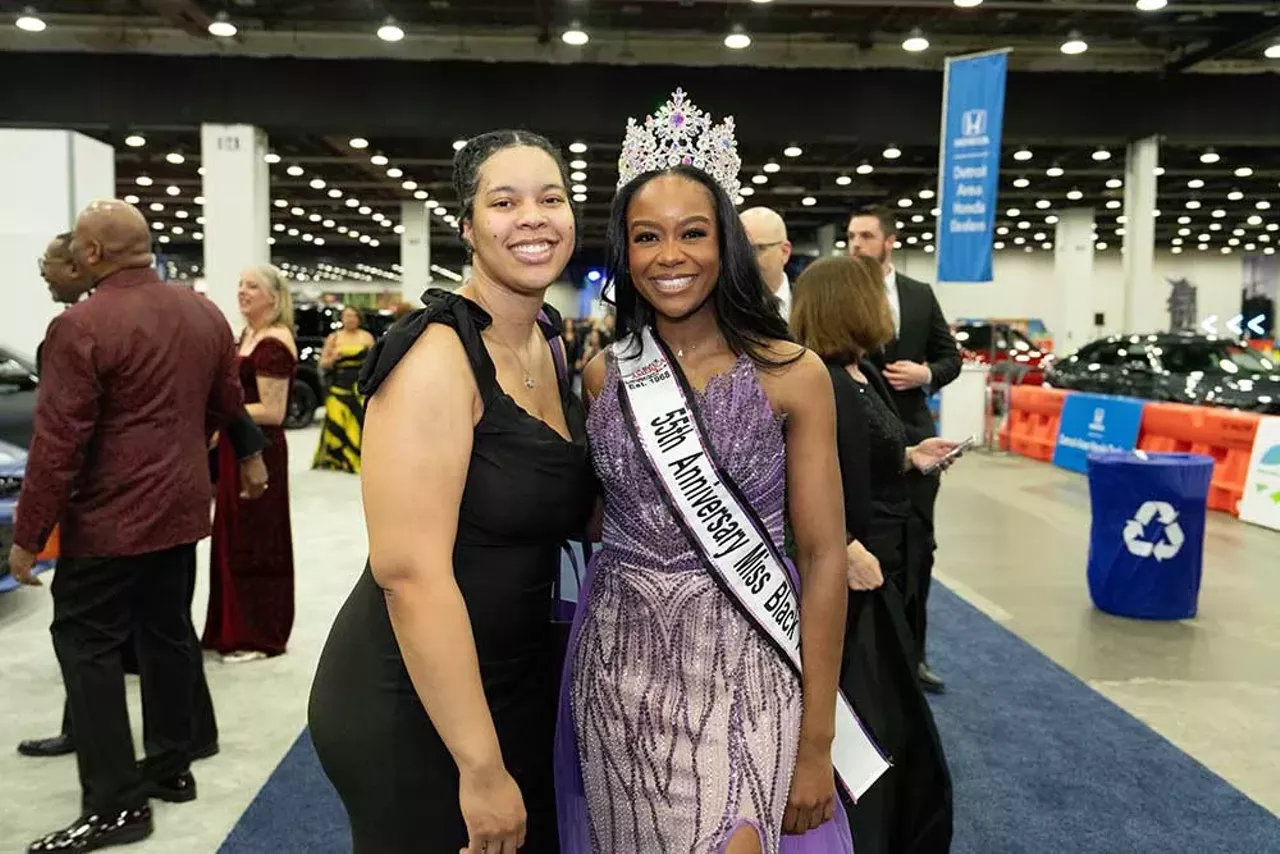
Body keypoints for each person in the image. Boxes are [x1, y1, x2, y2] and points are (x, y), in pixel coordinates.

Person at [558, 90, 853, 854]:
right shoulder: (603, 376)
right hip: (618, 664)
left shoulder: (794, 373)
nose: (670, 255)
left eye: (693, 233)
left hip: (745, 666)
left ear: (725, 243)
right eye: (647, 236)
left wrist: (817, 739)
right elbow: (603, 514)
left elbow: (823, 557)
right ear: (625, 251)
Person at [308, 129, 595, 854]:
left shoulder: (548, 341)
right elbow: (408, 576)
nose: (532, 217)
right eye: (505, 201)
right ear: (467, 227)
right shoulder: (435, 357)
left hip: (515, 680)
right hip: (414, 704)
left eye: (550, 197)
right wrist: (480, 765)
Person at [8, 200, 259, 852]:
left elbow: (58, 445)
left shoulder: (80, 326)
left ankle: (116, 804)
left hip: (108, 520)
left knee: (86, 649)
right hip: (179, 510)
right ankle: (172, 769)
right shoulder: (203, 311)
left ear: (91, 255)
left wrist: (27, 537)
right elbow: (226, 404)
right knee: (166, 634)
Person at [792, 254, 956, 854]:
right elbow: (800, 482)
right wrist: (843, 546)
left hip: (889, 557)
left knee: (892, 718)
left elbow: (873, 454)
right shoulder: (824, 381)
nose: (889, 307)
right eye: (876, 295)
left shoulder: (868, 372)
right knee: (865, 726)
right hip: (853, 575)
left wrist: (912, 456)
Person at [846, 205, 961, 693]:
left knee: (920, 551)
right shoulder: (842, 293)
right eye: (851, 236)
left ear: (889, 241)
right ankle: (869, 661)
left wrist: (926, 374)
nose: (856, 244)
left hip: (915, 435)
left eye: (866, 236)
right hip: (860, 436)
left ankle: (914, 657)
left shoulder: (919, 295)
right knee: (866, 549)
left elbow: (950, 357)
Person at [203, 264, 298, 664]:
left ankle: (258, 634)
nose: (242, 291)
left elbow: (273, 411)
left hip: (259, 448)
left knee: (256, 540)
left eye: (252, 286)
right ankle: (229, 626)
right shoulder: (248, 335)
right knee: (232, 537)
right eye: (240, 284)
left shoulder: (275, 342)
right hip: (234, 444)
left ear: (273, 297)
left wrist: (223, 412)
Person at [313, 305, 375, 473]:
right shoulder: (334, 338)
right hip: (338, 387)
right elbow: (322, 364)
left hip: (359, 388)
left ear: (359, 318)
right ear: (341, 318)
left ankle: (356, 458)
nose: (350, 319)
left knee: (358, 424)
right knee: (336, 424)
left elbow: (375, 363)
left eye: (353, 316)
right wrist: (333, 358)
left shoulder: (367, 337)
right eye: (347, 316)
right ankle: (337, 460)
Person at [740, 206, 794, 320]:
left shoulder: (810, 305)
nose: (746, 258)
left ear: (784, 252)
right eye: (740, 250)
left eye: (758, 248)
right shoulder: (717, 309)